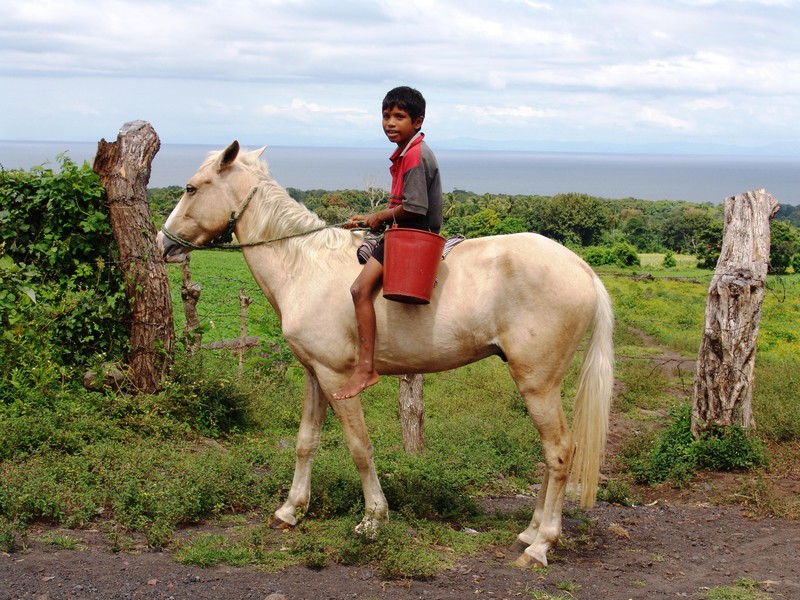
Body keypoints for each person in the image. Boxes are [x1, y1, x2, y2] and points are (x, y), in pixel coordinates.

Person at [333, 86, 443, 400]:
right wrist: (371, 217)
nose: (390, 123)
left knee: (359, 289)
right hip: (404, 228)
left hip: (411, 235)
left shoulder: (414, 155)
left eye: (399, 117)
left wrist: (379, 217)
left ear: (418, 121)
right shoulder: (408, 151)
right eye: (386, 116)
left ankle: (366, 367)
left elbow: (415, 208)